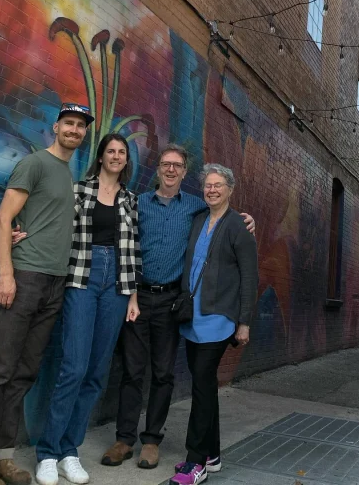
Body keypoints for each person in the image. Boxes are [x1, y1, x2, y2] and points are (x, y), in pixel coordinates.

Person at [0, 103, 94, 485]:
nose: (74, 130)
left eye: (80, 126)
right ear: (56, 127)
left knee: (23, 374)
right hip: (26, 277)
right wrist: (6, 274)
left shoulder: (66, 173)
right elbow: (4, 218)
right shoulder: (34, 163)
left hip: (54, 283)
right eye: (69, 123)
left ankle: (2, 457)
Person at [101, 145, 255, 471]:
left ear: (184, 172)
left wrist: (247, 219)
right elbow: (118, 239)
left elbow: (222, 211)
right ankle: (124, 439)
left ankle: (152, 440)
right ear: (158, 169)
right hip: (138, 298)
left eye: (178, 165)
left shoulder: (195, 207)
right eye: (166, 164)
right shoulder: (139, 203)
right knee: (132, 370)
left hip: (172, 302)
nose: (171, 169)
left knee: (163, 373)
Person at [34, 134, 142, 485]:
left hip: (117, 285)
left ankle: (69, 450)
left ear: (126, 160)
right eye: (111, 151)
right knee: (74, 368)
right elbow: (56, 224)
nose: (116, 156)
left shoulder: (130, 199)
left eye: (121, 152)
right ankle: (47, 453)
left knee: (96, 371)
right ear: (101, 156)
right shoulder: (80, 191)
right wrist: (25, 233)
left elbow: (133, 250)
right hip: (82, 277)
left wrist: (132, 297)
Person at [170, 164, 258, 485]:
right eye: (208, 185)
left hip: (219, 319)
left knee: (201, 386)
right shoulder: (198, 220)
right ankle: (213, 455)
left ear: (230, 189)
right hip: (193, 316)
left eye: (218, 185)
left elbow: (250, 277)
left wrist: (244, 322)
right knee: (204, 385)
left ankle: (196, 463)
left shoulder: (238, 226)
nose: (212, 190)